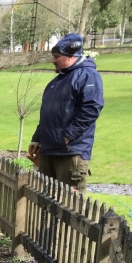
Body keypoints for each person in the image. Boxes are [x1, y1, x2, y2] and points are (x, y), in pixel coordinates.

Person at [28, 33, 104, 192]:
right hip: (49, 152)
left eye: (57, 56)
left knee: (69, 208)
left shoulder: (88, 76)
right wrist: (37, 138)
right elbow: (49, 114)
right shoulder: (55, 83)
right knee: (46, 205)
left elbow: (91, 109)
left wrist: (67, 137)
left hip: (71, 154)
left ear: (71, 56)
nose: (52, 60)